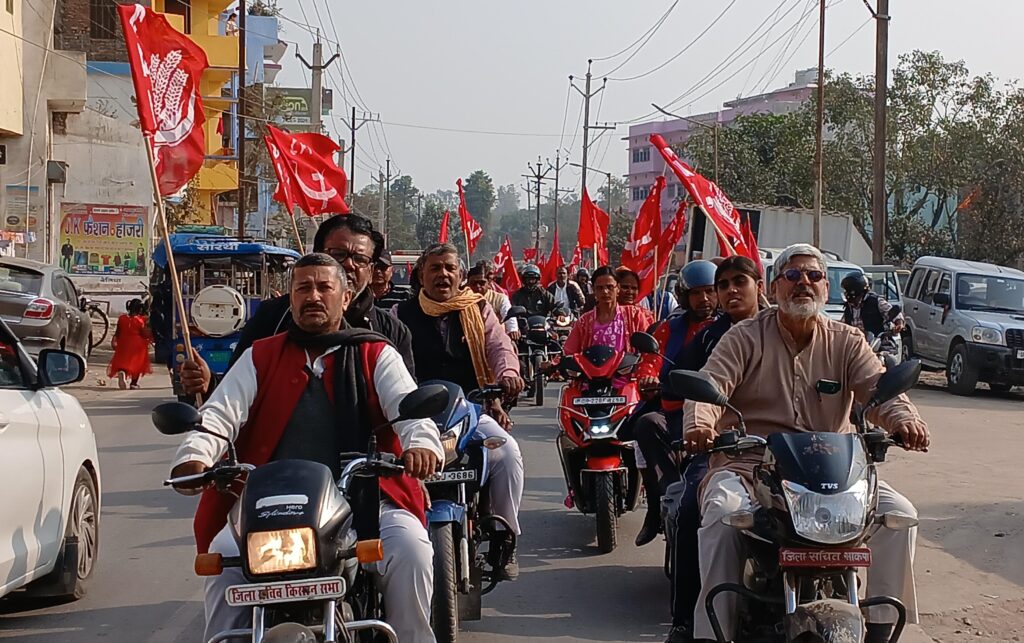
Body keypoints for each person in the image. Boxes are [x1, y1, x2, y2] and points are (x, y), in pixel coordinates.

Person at [169, 253, 442, 643]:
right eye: (303, 288)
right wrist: (194, 457)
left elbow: (408, 408)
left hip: (364, 501)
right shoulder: (259, 356)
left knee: (412, 551)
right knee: (224, 562)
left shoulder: (375, 353)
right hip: (270, 507)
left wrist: (421, 445)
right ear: (291, 299)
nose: (313, 296)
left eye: (324, 287)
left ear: (345, 298)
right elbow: (218, 415)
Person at [684, 244, 929, 643]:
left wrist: (905, 421)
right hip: (751, 468)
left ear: (825, 287)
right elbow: (710, 386)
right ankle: (715, 633)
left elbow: (879, 389)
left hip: (834, 474)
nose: (804, 283)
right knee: (722, 515)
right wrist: (700, 425)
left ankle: (881, 629)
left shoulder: (848, 341)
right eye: (793, 275)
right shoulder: (744, 337)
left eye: (814, 276)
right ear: (775, 286)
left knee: (900, 515)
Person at [394, 243, 526, 580]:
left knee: (507, 452)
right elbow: (386, 358)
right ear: (421, 275)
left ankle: (504, 536)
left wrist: (508, 374)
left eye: (450, 268)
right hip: (414, 415)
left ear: (461, 275)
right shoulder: (399, 315)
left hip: (468, 409)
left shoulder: (478, 309)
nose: (443, 274)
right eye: (435, 268)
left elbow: (499, 347)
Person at [179, 214, 414, 397]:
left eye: (360, 259)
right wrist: (209, 385)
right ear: (317, 256)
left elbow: (405, 407)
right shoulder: (274, 317)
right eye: (338, 254)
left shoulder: (389, 333)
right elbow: (236, 393)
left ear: (371, 270)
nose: (349, 265)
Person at [659, 256, 763, 643]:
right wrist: (699, 428)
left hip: (794, 452)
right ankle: (686, 619)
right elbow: (693, 387)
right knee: (693, 509)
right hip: (728, 448)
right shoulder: (711, 338)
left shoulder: (805, 330)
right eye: (724, 285)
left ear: (761, 286)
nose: (731, 291)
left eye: (741, 282)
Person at [632, 260, 720, 549]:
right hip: (675, 407)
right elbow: (651, 360)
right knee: (644, 425)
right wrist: (647, 378)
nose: (704, 299)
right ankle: (663, 497)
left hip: (721, 412)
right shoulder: (671, 327)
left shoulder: (729, 328)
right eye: (696, 293)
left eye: (710, 291)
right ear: (684, 296)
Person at [562, 265, 655, 357]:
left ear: (618, 288)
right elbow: (569, 352)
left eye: (610, 287)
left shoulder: (634, 315)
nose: (605, 291)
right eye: (600, 288)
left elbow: (650, 351)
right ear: (593, 290)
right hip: (591, 367)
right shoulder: (583, 322)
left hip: (628, 367)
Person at [841, 271, 905, 337]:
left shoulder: (876, 301)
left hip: (876, 340)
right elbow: (842, 325)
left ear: (855, 291)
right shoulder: (849, 307)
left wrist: (899, 324)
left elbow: (893, 313)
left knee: (889, 343)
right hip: (855, 341)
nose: (846, 294)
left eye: (847, 291)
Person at [107, 298, 152, 390]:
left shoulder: (122, 318)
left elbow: (118, 332)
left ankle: (122, 372)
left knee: (123, 361)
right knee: (137, 364)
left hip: (123, 342)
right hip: (137, 343)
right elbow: (144, 333)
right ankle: (133, 383)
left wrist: (114, 340)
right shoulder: (141, 320)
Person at [468, 262, 519, 340]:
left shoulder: (500, 298)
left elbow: (507, 314)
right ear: (468, 284)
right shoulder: (462, 300)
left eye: (482, 283)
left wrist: (512, 329)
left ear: (488, 283)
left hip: (496, 339)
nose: (478, 287)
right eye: (474, 283)